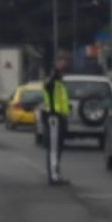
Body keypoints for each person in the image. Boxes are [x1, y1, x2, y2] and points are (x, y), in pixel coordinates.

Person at [42, 56, 72, 185]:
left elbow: (62, 100)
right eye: (60, 62)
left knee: (58, 147)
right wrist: (55, 70)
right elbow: (49, 84)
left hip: (60, 117)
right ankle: (53, 176)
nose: (63, 64)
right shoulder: (52, 81)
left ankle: (56, 174)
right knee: (54, 148)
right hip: (53, 117)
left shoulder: (60, 82)